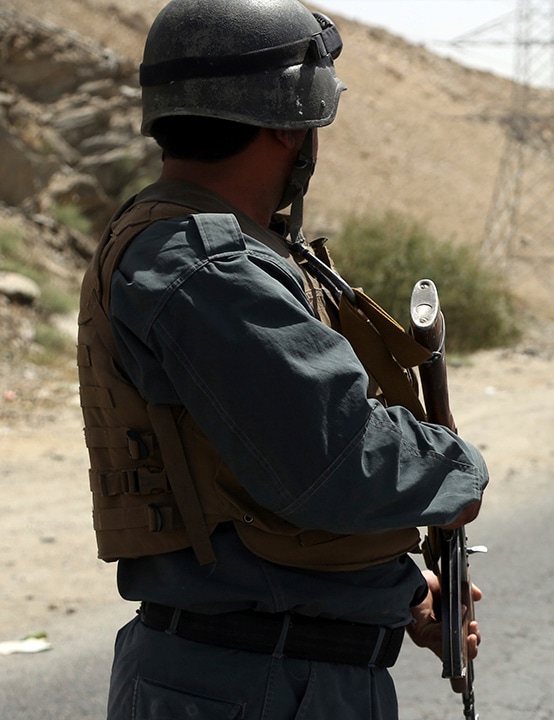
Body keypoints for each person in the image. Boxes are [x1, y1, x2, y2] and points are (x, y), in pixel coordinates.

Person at [75, 1, 487, 718]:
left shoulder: (218, 247)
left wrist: (399, 592)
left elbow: (252, 477)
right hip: (256, 682)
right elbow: (337, 461)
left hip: (260, 669)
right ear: (287, 123)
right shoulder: (207, 264)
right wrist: (458, 469)